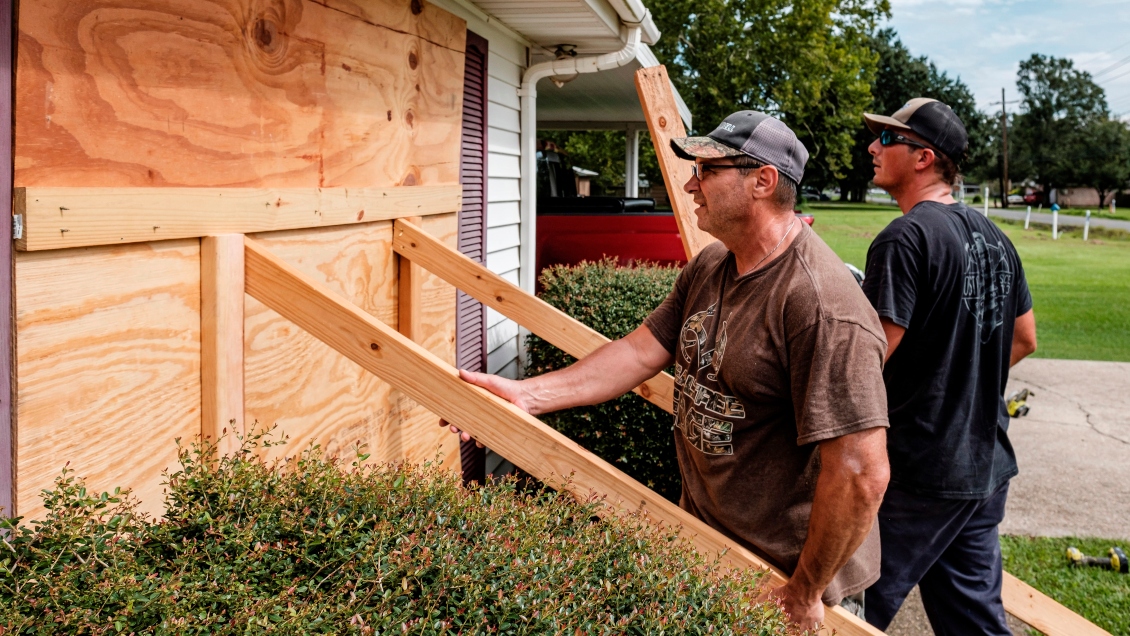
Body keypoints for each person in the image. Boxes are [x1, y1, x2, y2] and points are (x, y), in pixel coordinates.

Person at [448, 111, 891, 630]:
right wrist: (528, 395)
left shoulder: (822, 304)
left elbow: (861, 473)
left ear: (763, 181)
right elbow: (638, 353)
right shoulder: (712, 266)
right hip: (710, 548)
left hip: (785, 582)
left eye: (706, 170)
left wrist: (805, 590)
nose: (689, 183)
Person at [859, 98, 1038, 634]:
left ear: (923, 158)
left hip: (919, 471)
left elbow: (868, 358)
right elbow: (1025, 338)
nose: (872, 146)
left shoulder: (905, 238)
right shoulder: (998, 240)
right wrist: (957, 371)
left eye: (888, 139)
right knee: (973, 621)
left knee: (846, 606)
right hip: (984, 466)